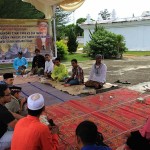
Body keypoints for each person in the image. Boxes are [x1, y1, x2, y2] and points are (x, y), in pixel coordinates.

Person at [0, 83, 23, 150]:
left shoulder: (2, 106)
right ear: (0, 97)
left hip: (3, 129)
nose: (11, 96)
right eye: (8, 95)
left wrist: (27, 119)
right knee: (24, 134)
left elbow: (12, 114)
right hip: (1, 138)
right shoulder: (2, 112)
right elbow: (18, 126)